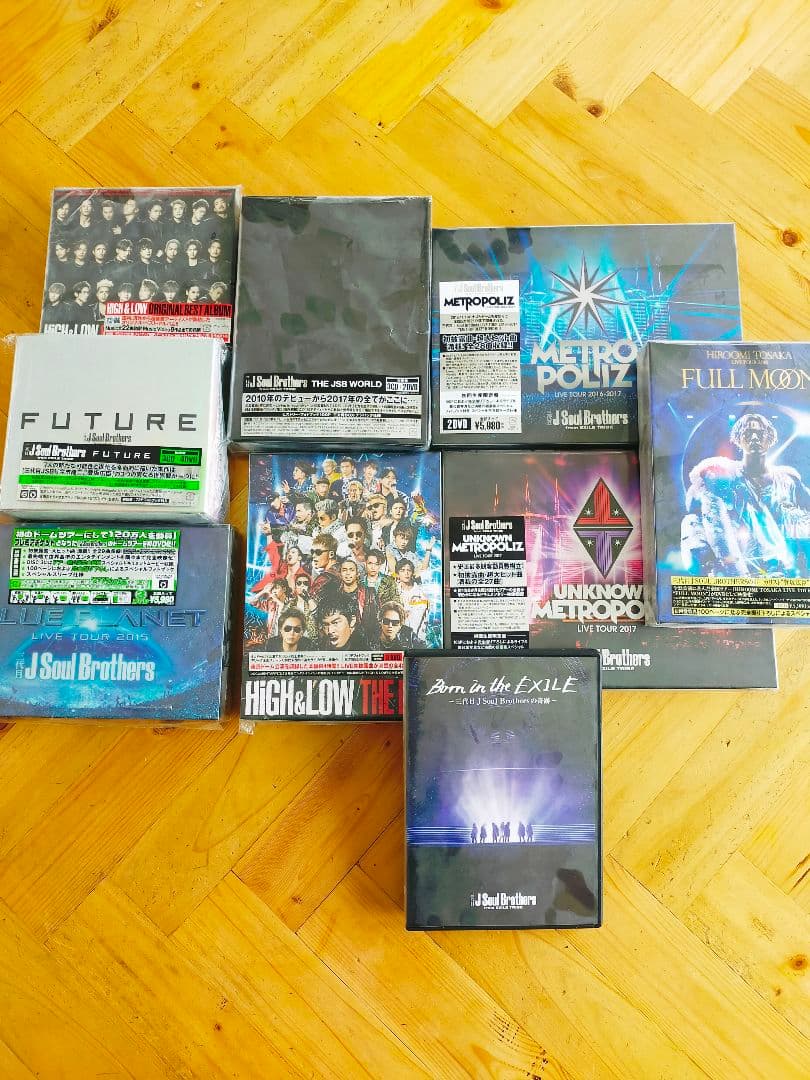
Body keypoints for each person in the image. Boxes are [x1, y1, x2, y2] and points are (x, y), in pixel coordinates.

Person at [682, 412, 810, 577]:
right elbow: (703, 518)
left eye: (760, 433)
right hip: (739, 571)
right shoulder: (720, 474)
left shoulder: (788, 480)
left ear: (769, 438)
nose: (754, 438)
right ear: (738, 438)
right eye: (748, 433)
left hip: (784, 570)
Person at [395, 559, 429, 641]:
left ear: (412, 573)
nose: (406, 573)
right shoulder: (393, 591)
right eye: (402, 570)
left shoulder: (421, 593)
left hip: (418, 638)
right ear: (398, 574)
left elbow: (423, 617)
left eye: (409, 570)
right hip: (397, 639)